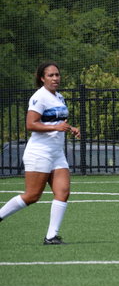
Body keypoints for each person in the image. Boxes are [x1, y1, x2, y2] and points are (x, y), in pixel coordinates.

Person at [0, 61, 80, 244]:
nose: (55, 78)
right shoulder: (39, 97)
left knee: (63, 191)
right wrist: (56, 127)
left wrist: (71, 128)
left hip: (56, 153)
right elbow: (31, 124)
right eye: (51, 75)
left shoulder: (59, 97)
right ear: (42, 78)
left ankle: (51, 236)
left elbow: (56, 122)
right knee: (32, 196)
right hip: (40, 152)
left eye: (57, 75)